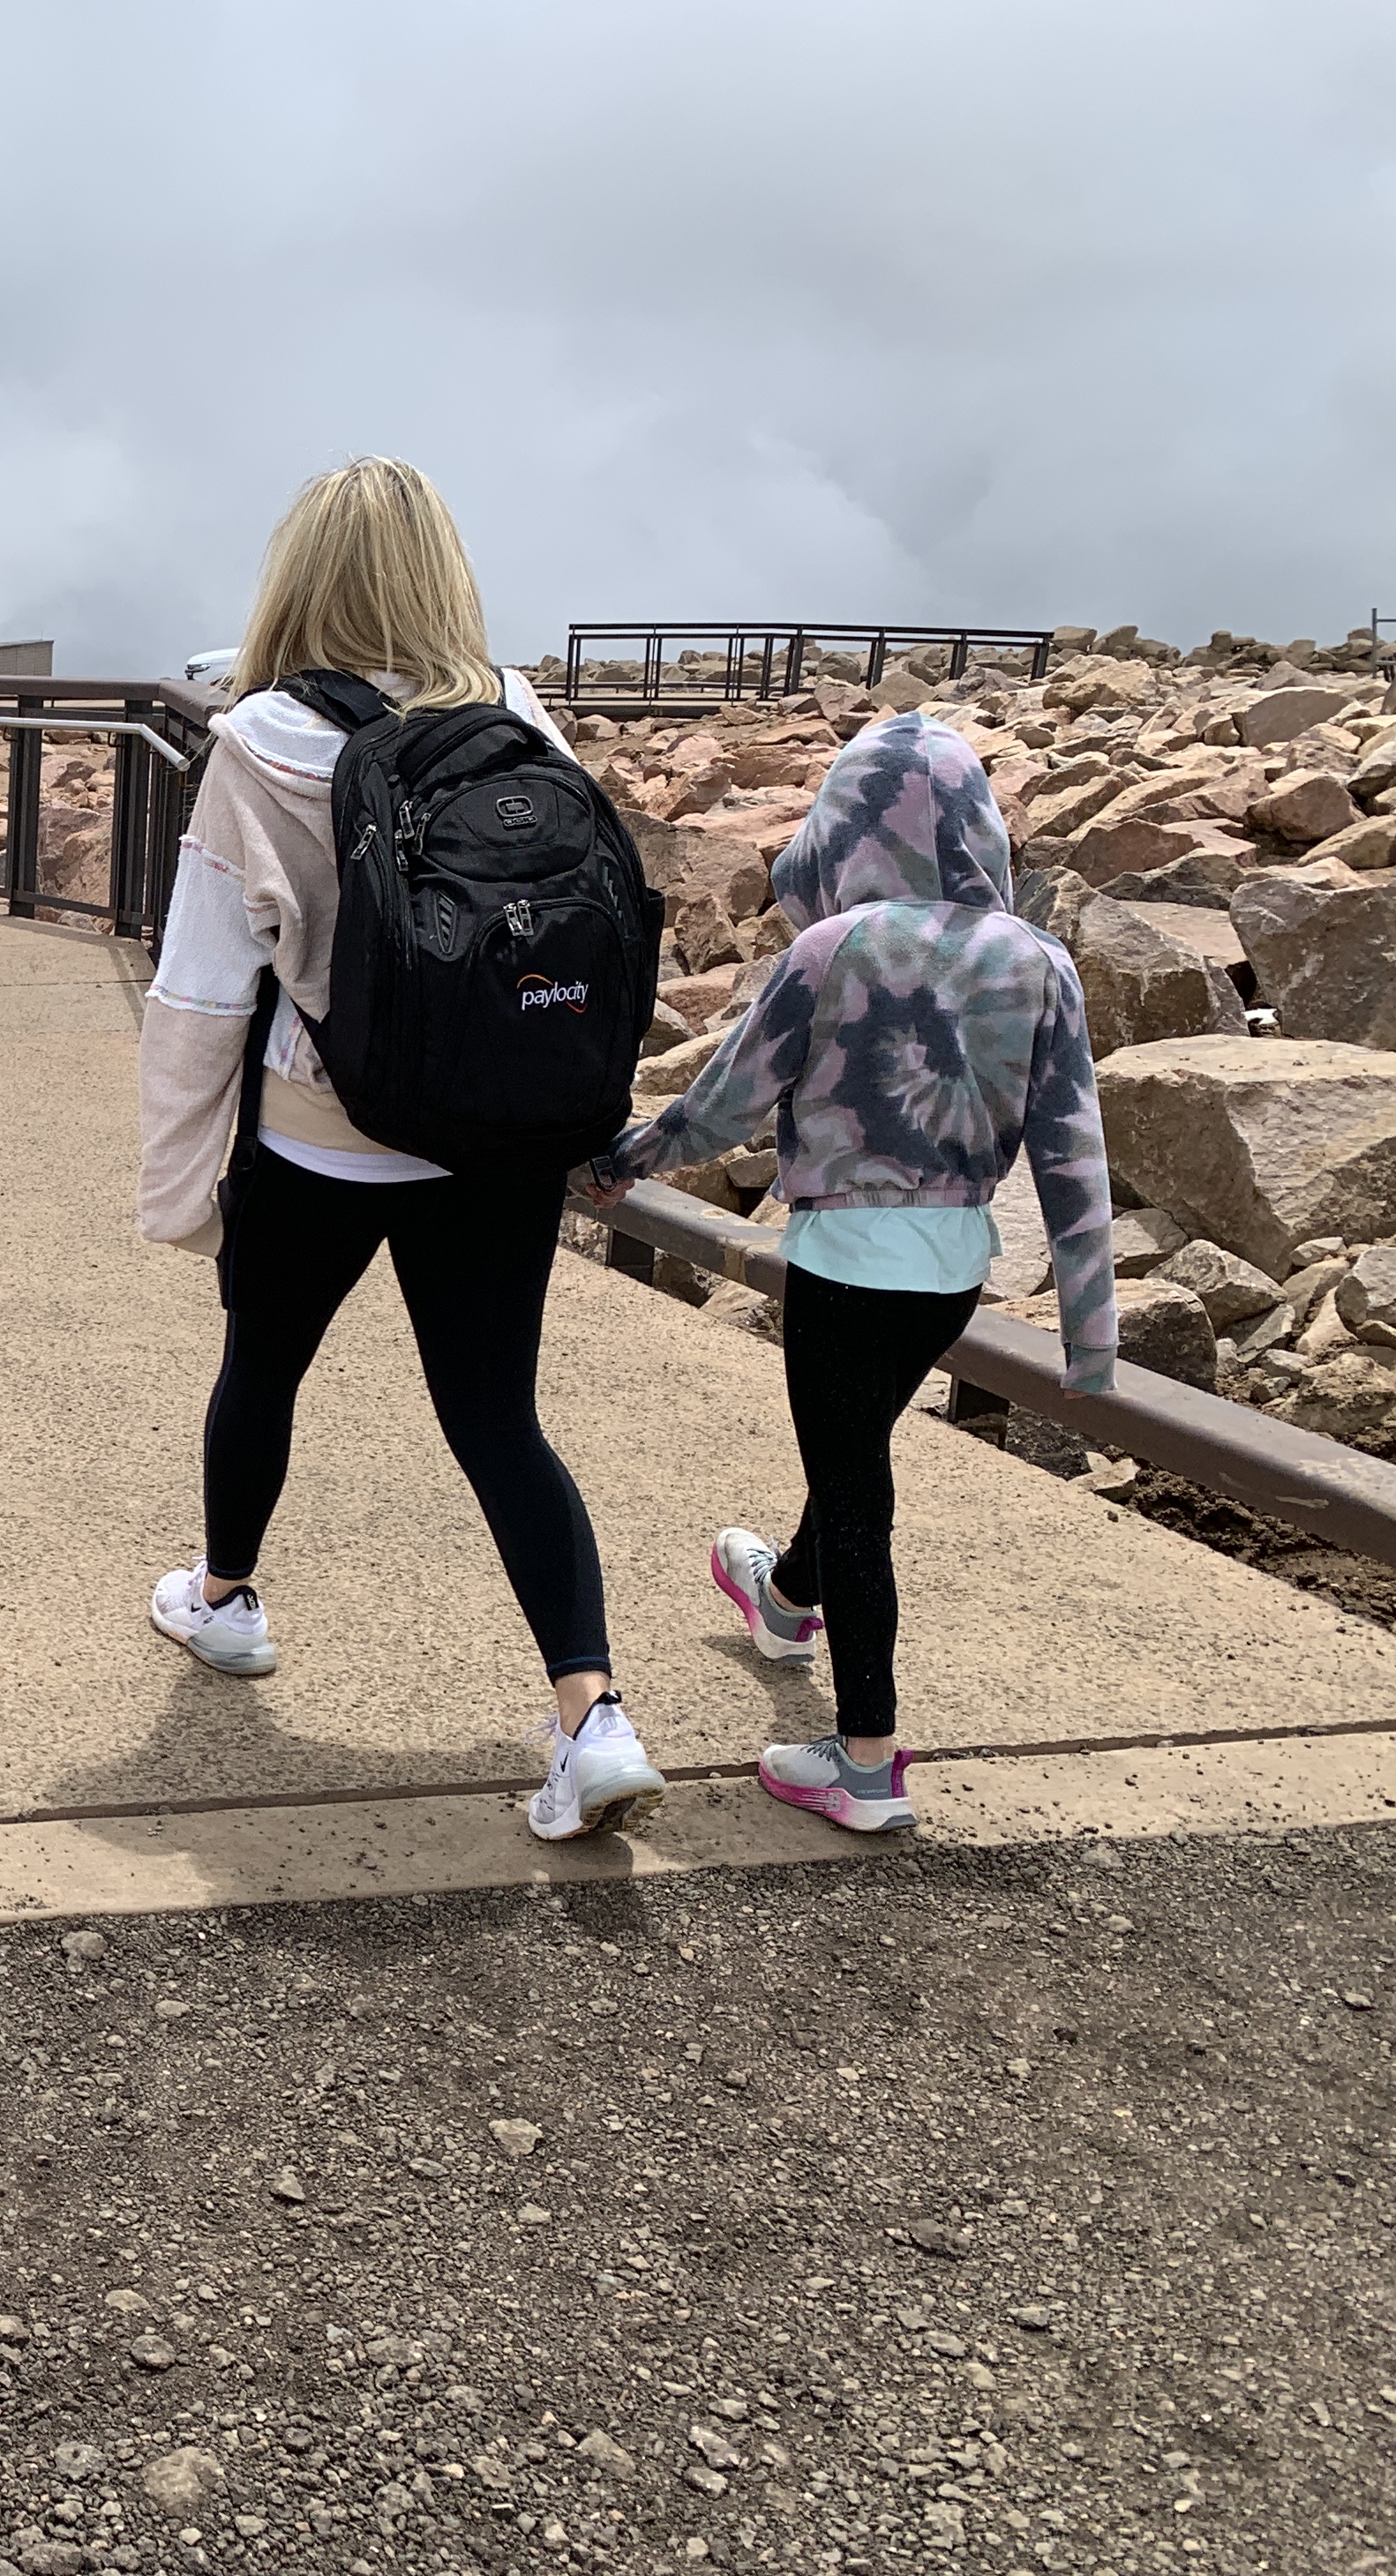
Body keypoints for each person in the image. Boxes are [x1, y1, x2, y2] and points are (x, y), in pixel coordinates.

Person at [139, 457, 665, 1842]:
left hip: (322, 1135)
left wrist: (183, 1183)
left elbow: (201, 989)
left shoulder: (257, 739)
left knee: (262, 1370)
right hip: (493, 1136)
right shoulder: (516, 713)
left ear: (299, 577)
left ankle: (229, 1602)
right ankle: (591, 1715)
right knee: (499, 1421)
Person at [586, 711, 1113, 1833]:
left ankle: (864, 1759)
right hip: (956, 1266)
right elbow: (1072, 1151)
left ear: (844, 827)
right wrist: (1090, 1336)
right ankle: (781, 1599)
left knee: (859, 1488)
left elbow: (728, 1100)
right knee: (857, 1444)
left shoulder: (830, 950)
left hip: (839, 1261)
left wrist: (631, 1157)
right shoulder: (1038, 962)